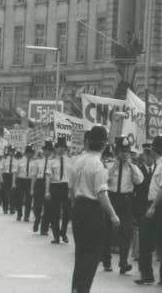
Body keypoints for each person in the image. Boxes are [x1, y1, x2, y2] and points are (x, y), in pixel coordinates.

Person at [69, 125, 120, 293]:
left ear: (88, 142)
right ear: (104, 144)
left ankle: (76, 287)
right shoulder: (98, 165)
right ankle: (83, 289)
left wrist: (75, 207)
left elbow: (70, 189)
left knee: (81, 253)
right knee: (92, 255)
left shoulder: (78, 160)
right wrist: (113, 215)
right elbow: (101, 194)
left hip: (78, 207)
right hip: (93, 210)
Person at [102, 136, 143, 274]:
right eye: (122, 151)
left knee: (126, 230)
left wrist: (131, 166)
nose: (124, 154)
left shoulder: (132, 167)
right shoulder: (108, 164)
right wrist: (115, 166)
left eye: (127, 151)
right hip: (111, 198)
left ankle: (123, 262)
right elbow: (104, 179)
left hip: (126, 200)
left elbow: (139, 181)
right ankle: (106, 260)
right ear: (116, 152)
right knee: (107, 230)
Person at [137, 136, 162, 285]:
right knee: (150, 240)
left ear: (154, 150)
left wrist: (152, 207)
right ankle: (149, 275)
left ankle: (159, 277)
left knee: (159, 241)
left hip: (161, 205)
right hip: (160, 204)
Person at [45, 137, 72, 244]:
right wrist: (47, 191)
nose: (61, 149)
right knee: (54, 213)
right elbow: (48, 176)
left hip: (66, 187)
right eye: (59, 147)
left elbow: (73, 176)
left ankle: (63, 232)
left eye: (63, 147)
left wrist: (72, 190)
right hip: (55, 186)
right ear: (55, 148)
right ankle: (56, 236)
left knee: (67, 212)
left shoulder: (70, 160)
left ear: (65, 149)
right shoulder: (51, 161)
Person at [133, 144, 155, 265]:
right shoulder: (139, 170)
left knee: (150, 231)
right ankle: (139, 253)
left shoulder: (157, 169)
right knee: (141, 230)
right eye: (148, 156)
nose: (150, 159)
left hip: (152, 204)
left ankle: (148, 252)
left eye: (152, 156)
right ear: (144, 157)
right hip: (141, 204)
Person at [32, 141, 53, 235]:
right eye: (45, 150)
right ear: (43, 151)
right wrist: (32, 188)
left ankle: (44, 228)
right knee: (37, 205)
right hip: (39, 183)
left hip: (49, 183)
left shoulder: (53, 161)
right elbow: (34, 175)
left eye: (49, 150)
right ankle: (37, 220)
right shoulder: (38, 161)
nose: (47, 152)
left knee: (48, 207)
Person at [14, 146, 35, 222]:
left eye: (32, 153)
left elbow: (34, 175)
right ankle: (19, 214)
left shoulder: (34, 162)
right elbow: (15, 172)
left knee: (29, 198)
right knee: (19, 197)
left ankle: (27, 216)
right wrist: (14, 182)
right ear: (26, 153)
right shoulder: (20, 161)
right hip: (20, 180)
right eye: (29, 153)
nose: (30, 155)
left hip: (29, 181)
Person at [0, 146, 16, 214]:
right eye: (11, 151)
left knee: (13, 193)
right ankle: (5, 208)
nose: (12, 152)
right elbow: (1, 169)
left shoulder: (16, 160)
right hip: (5, 176)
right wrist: (1, 177)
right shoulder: (4, 159)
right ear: (9, 152)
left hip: (13, 176)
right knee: (5, 193)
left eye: (13, 151)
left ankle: (12, 208)